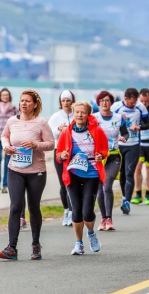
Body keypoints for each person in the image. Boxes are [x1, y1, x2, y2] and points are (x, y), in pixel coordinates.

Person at [0, 90, 54, 261]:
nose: (24, 104)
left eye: (28, 101)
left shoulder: (41, 123)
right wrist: (6, 146)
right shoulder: (12, 121)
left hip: (36, 171)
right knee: (15, 206)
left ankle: (35, 245)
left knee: (33, 207)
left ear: (35, 104)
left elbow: (51, 144)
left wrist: (35, 144)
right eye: (22, 101)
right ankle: (11, 247)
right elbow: (4, 136)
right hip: (15, 169)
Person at [56, 101, 108, 255]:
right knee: (76, 211)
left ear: (88, 114)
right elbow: (58, 153)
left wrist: (101, 156)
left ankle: (91, 233)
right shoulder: (67, 132)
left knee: (87, 211)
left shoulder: (96, 131)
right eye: (77, 112)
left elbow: (105, 149)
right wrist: (62, 155)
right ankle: (78, 244)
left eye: (83, 112)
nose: (79, 115)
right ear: (73, 113)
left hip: (91, 174)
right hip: (72, 174)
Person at [112, 88, 149, 215]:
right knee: (122, 173)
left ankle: (127, 201)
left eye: (135, 102)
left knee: (129, 171)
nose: (133, 104)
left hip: (134, 144)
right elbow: (107, 122)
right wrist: (117, 118)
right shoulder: (116, 107)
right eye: (131, 103)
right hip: (119, 144)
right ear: (125, 99)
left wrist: (139, 127)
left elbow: (148, 124)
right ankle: (124, 197)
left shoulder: (141, 108)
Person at [93, 91, 128, 231]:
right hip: (98, 158)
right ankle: (103, 219)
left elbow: (125, 132)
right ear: (98, 103)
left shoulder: (119, 118)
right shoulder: (93, 118)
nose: (104, 103)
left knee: (107, 186)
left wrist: (124, 137)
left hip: (113, 156)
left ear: (111, 102)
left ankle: (109, 219)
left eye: (107, 100)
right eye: (102, 101)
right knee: (100, 190)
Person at [48, 90, 75, 226]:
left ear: (72, 101)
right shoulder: (55, 117)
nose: (66, 103)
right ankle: (66, 210)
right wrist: (58, 129)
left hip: (74, 153)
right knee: (63, 183)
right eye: (63, 100)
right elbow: (47, 135)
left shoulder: (77, 115)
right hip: (59, 151)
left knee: (72, 182)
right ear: (60, 102)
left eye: (68, 100)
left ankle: (72, 211)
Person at [0, 88, 19, 194]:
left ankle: (5, 184)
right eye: (3, 95)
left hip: (10, 139)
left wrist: (13, 132)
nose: (5, 96)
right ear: (0, 96)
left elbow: (19, 120)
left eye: (7, 95)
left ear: (9, 96)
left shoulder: (14, 108)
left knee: (7, 161)